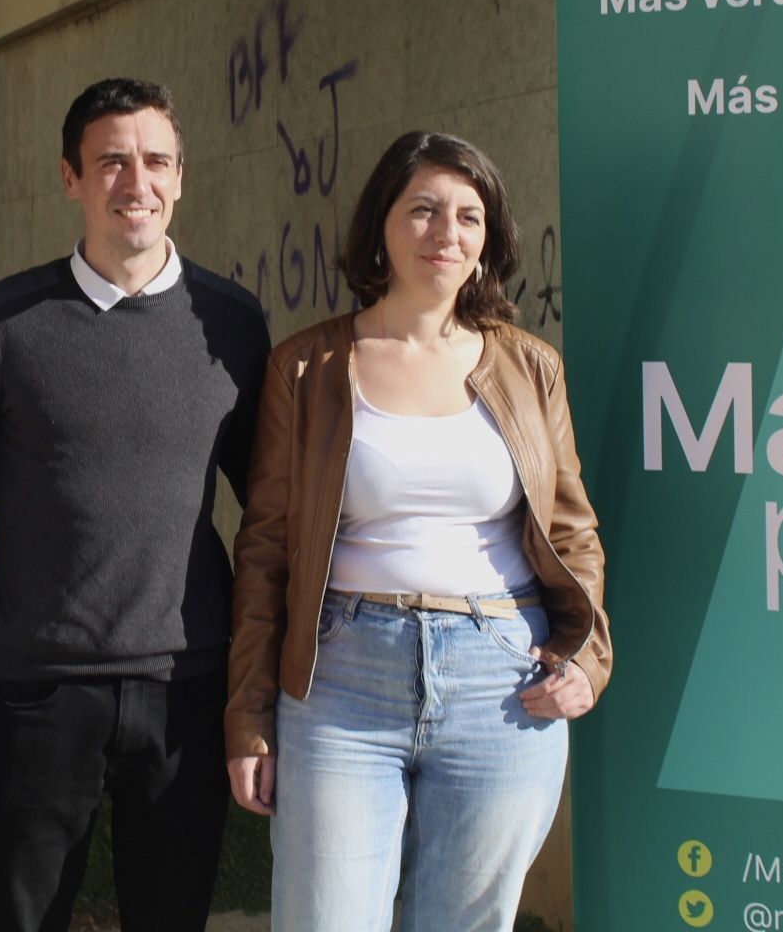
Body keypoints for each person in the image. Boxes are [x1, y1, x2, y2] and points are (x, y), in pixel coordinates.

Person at [224, 130, 611, 932]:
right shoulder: (308, 367)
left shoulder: (529, 365)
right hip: (340, 680)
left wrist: (586, 656)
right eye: (424, 210)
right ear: (381, 227)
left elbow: (572, 533)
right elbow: (264, 551)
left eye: (469, 216)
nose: (447, 234)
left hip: (501, 680)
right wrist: (249, 717)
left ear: (489, 239)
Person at [0, 77, 270, 932]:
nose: (137, 182)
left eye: (156, 161)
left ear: (180, 176)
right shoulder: (5, 322)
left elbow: (261, 496)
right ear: (71, 178)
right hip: (41, 684)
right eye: (111, 162)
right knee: (25, 915)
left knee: (170, 915)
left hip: (186, 682)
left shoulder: (233, 324)